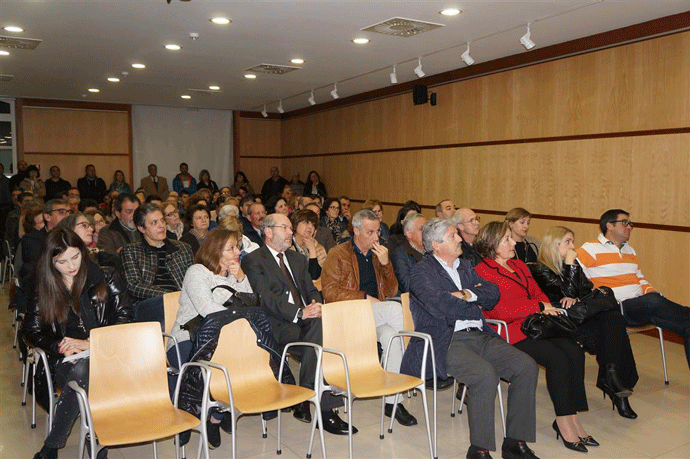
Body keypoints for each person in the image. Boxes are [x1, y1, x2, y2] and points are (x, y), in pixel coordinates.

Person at [399, 218, 539, 459]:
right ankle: (479, 450)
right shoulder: (421, 272)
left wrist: (464, 294)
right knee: (484, 374)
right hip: (445, 339)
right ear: (436, 244)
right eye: (453, 236)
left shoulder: (464, 266)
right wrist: (474, 299)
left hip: (480, 334)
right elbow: (440, 306)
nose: (460, 239)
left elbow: (492, 293)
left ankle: (515, 442)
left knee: (526, 366)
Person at [474, 221, 594, 453]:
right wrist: (538, 306)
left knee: (574, 350)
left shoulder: (518, 265)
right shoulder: (482, 271)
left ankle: (573, 417)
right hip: (510, 332)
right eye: (507, 239)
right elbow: (498, 311)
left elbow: (537, 292)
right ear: (492, 244)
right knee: (557, 358)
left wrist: (544, 305)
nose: (513, 242)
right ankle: (563, 421)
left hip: (537, 325)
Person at [241, 212, 355, 435]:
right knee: (322, 344)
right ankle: (326, 412)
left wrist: (316, 305)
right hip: (277, 324)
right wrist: (300, 313)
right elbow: (266, 298)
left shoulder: (296, 259)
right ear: (268, 231)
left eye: (290, 228)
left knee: (319, 341)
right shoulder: (254, 260)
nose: (290, 232)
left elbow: (311, 290)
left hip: (307, 322)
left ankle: (305, 396)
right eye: (284, 228)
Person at [24, 228, 133, 459]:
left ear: (83, 251)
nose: (71, 266)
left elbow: (126, 317)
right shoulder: (43, 286)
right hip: (65, 360)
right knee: (82, 370)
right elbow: (31, 331)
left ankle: (52, 447)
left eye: (75, 257)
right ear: (51, 262)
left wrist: (91, 343)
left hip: (109, 353)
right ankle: (95, 441)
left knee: (84, 373)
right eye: (61, 262)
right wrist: (59, 347)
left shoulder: (106, 275)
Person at [170, 228, 282, 448]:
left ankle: (215, 418)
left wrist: (240, 278)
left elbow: (252, 304)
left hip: (226, 340)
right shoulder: (197, 272)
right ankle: (187, 418)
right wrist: (238, 311)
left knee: (247, 365)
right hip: (188, 338)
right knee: (210, 372)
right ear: (216, 250)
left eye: (237, 247)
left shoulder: (235, 274)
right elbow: (207, 310)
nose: (238, 252)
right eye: (231, 248)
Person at [530, 226, 639, 418]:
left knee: (614, 320)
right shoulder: (540, 268)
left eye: (572, 241)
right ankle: (613, 382)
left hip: (580, 315)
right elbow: (567, 294)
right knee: (611, 330)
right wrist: (570, 265)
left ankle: (612, 376)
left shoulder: (573, 265)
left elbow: (586, 290)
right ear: (554, 244)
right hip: (562, 321)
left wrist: (575, 292)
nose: (573, 246)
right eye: (568, 241)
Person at [321, 209, 417, 426]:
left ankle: (393, 401)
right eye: (370, 232)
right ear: (356, 231)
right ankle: (410, 362)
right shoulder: (338, 253)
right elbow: (329, 291)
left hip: (374, 316)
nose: (376, 237)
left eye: (377, 232)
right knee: (396, 311)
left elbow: (391, 290)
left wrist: (386, 264)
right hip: (349, 315)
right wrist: (363, 297)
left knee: (391, 336)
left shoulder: (377, 254)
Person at [576, 209, 690, 369]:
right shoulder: (590, 249)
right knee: (654, 300)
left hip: (642, 307)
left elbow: (640, 279)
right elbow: (572, 274)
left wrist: (652, 295)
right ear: (609, 225)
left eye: (630, 223)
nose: (629, 227)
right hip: (618, 308)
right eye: (624, 223)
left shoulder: (630, 250)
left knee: (687, 326)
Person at [121, 203, 194, 326]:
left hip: (182, 300)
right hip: (148, 303)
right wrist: (170, 296)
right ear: (141, 228)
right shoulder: (131, 250)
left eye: (162, 220)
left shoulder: (183, 248)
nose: (161, 226)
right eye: (154, 223)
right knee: (171, 310)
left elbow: (192, 280)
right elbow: (133, 285)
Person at [57, 212, 121, 271]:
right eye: (84, 225)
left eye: (90, 225)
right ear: (70, 228)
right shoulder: (60, 257)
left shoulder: (96, 256)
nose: (91, 229)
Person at [390, 212, 426, 294]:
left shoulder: (431, 251)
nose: (426, 232)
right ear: (409, 233)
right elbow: (407, 286)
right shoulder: (399, 254)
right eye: (421, 229)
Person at [289, 209, 326, 282]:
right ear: (295, 225)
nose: (310, 227)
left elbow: (315, 276)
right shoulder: (286, 246)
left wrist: (312, 250)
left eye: (313, 224)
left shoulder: (319, 248)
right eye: (306, 222)